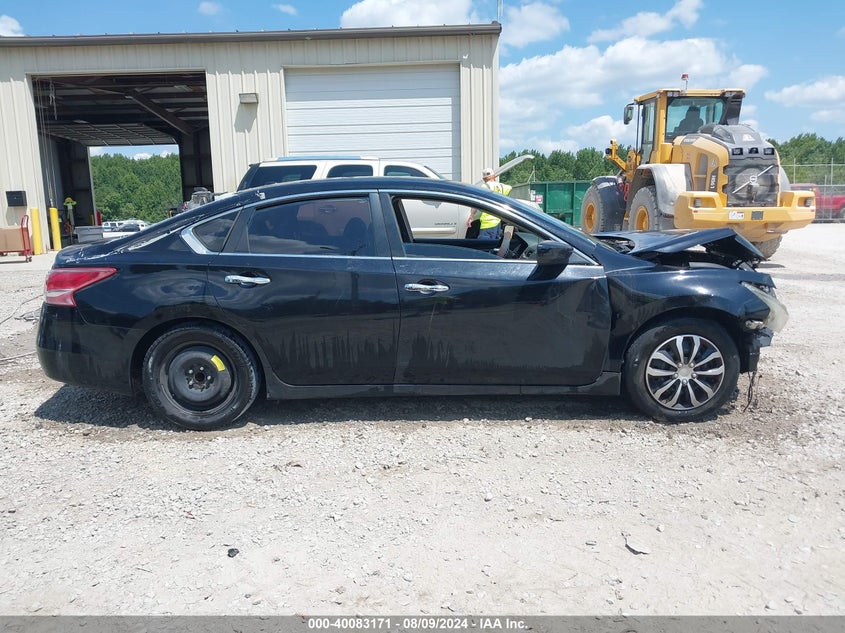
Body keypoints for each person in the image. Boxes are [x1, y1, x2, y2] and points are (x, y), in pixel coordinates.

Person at [467, 167, 513, 239]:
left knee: (484, 247)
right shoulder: (502, 187)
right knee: (494, 245)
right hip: (498, 223)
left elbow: (476, 202)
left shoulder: (484, 187)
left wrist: (472, 215)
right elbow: (510, 187)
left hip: (487, 224)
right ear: (494, 176)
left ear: (484, 179)